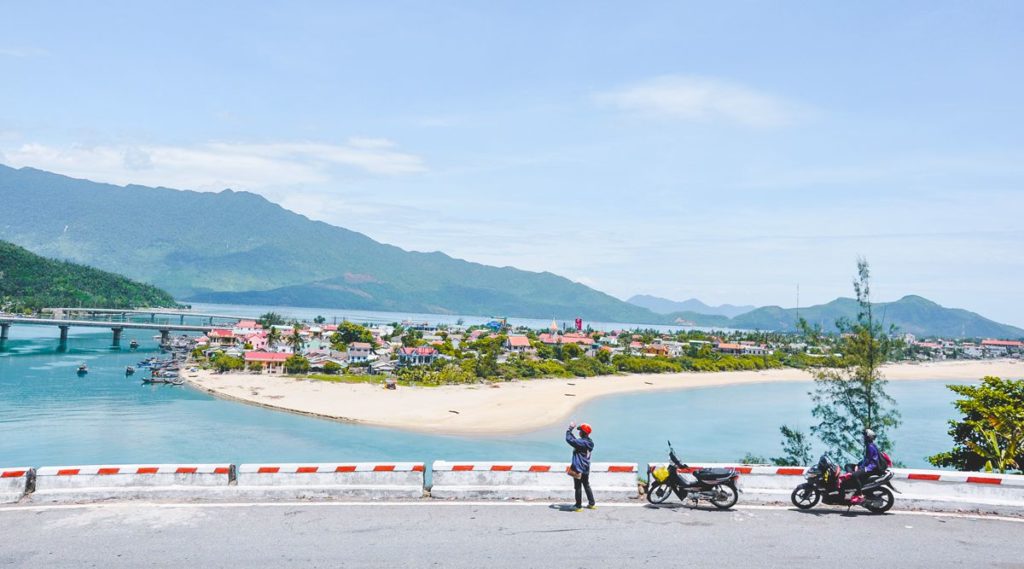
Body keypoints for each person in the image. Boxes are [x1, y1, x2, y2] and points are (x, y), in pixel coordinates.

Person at [566, 421, 595, 511]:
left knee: (578, 486)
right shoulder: (589, 442)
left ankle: (578, 506)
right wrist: (571, 433)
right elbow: (576, 441)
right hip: (586, 467)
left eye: (580, 431)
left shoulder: (581, 443)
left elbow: (569, 440)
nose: (579, 432)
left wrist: (569, 429)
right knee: (586, 485)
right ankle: (591, 503)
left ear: (583, 432)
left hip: (578, 467)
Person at [848, 428, 881, 504]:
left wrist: (860, 468)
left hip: (870, 468)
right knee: (848, 466)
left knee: (854, 475)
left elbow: (868, 461)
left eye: (864, 436)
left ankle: (860, 495)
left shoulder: (870, 447)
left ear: (868, 438)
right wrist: (858, 465)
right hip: (868, 466)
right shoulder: (869, 445)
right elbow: (865, 459)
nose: (863, 438)